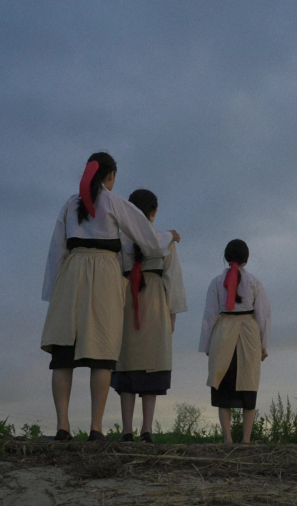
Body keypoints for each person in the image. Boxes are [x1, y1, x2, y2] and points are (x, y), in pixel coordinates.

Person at [40, 152, 167, 442]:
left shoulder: (69, 204)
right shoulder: (113, 201)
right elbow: (148, 238)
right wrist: (166, 239)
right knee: (102, 354)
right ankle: (96, 428)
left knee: (63, 354)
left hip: (71, 274)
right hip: (105, 276)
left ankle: (63, 426)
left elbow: (56, 252)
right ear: (110, 177)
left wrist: (52, 294)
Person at [112, 189, 186, 444]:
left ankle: (126, 431)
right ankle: (147, 430)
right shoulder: (165, 241)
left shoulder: (120, 241)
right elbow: (172, 279)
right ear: (154, 213)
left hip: (126, 302)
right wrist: (173, 314)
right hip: (155, 304)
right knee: (151, 365)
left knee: (127, 365)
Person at [198, 239, 271, 444]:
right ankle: (246, 439)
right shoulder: (255, 282)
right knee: (248, 385)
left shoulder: (215, 282)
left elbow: (209, 315)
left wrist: (207, 345)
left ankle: (228, 439)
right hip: (249, 332)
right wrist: (263, 344)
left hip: (224, 332)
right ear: (246, 258)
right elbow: (264, 315)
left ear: (226, 257)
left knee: (224, 386)